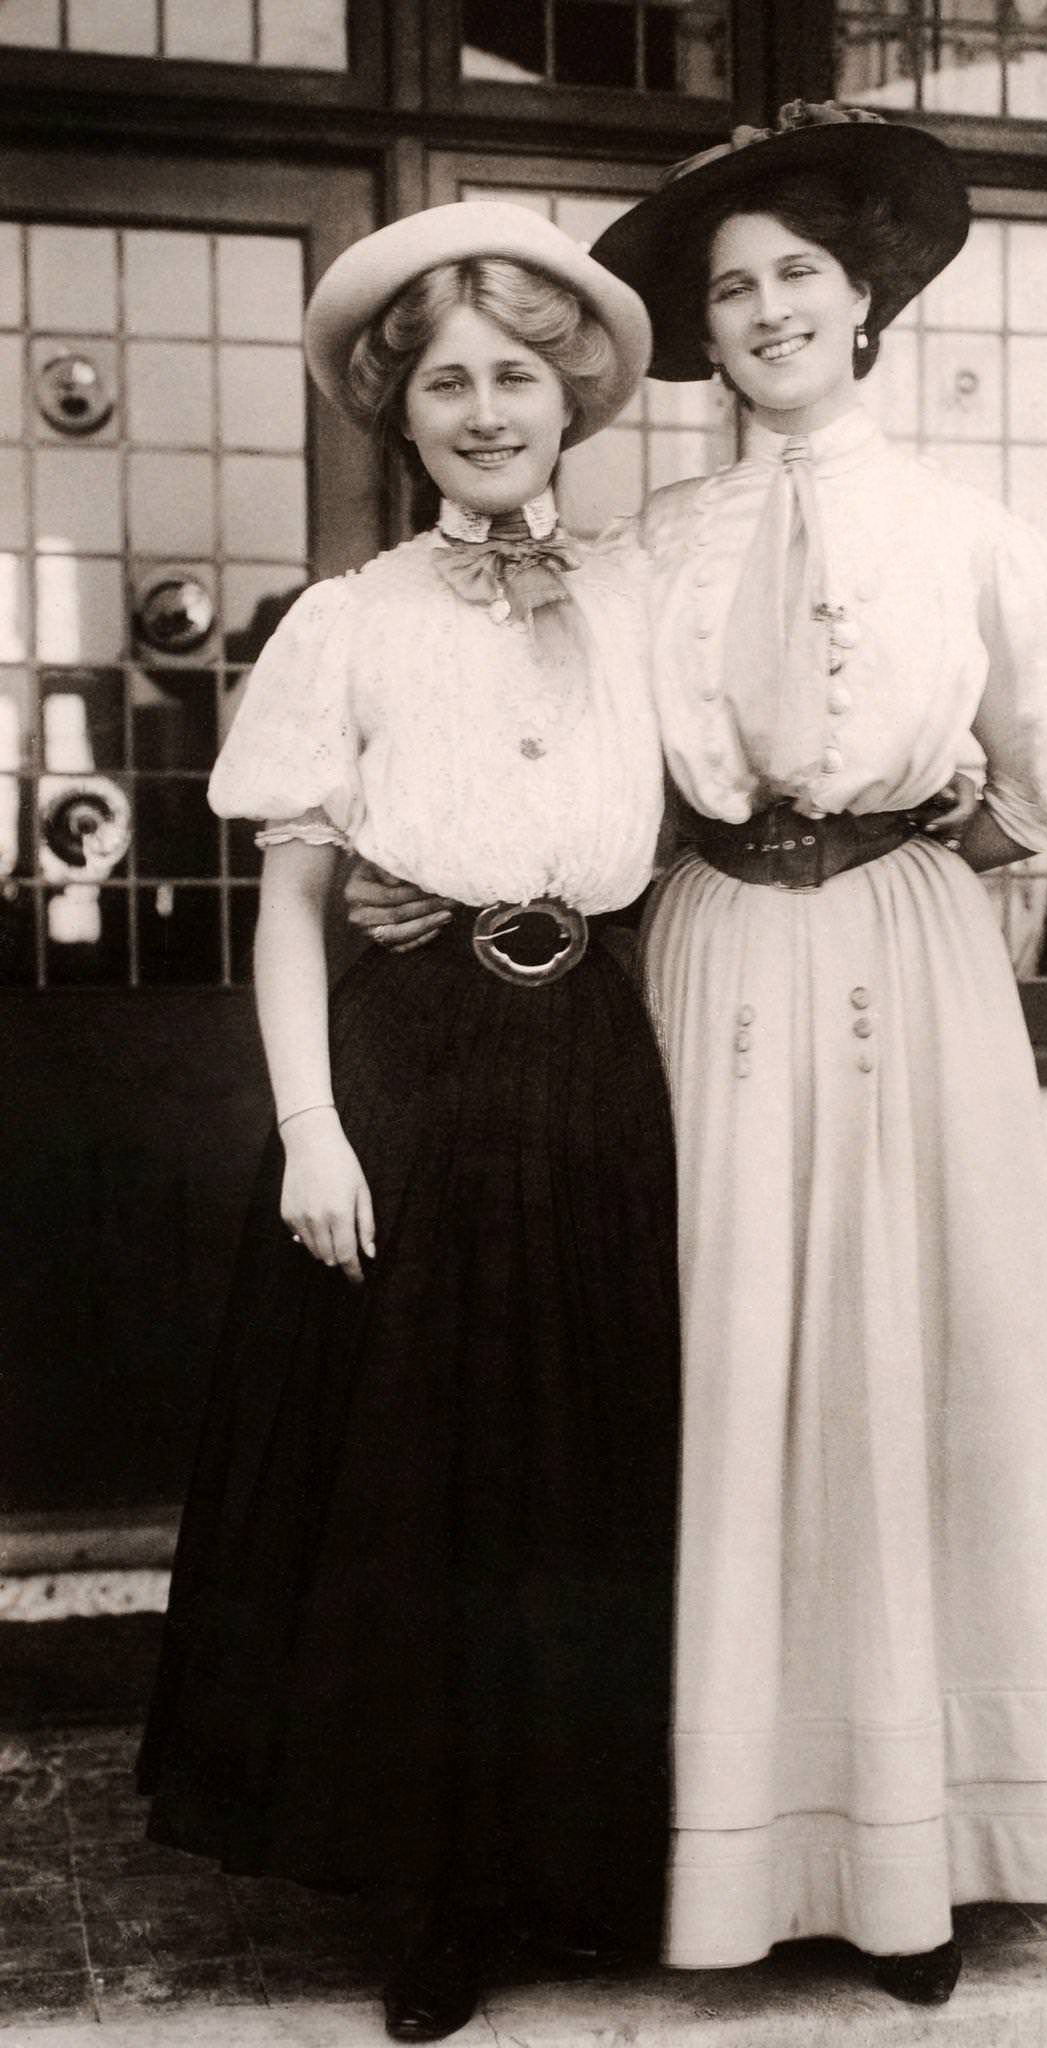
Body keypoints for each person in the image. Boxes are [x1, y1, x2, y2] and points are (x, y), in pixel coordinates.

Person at [350, 102, 1047, 2010]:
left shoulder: (972, 530)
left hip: (901, 958)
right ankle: (703, 1835)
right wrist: (422, 878)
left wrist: (970, 846)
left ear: (861, 302)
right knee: (707, 1366)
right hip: (701, 959)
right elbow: (545, 741)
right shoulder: (651, 548)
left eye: (799, 274)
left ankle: (913, 1857)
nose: (770, 307)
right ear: (697, 335)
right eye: (731, 288)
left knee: (898, 1362)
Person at [136, 202, 680, 2045]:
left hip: (602, 1050)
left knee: (587, 1465)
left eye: (516, 372)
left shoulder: (643, 593)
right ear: (399, 407)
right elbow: (293, 898)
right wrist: (310, 1127)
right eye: (443, 377)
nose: (482, 405)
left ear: (571, 393)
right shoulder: (343, 626)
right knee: (433, 1475)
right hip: (414, 1069)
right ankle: (442, 1888)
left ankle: (576, 1855)